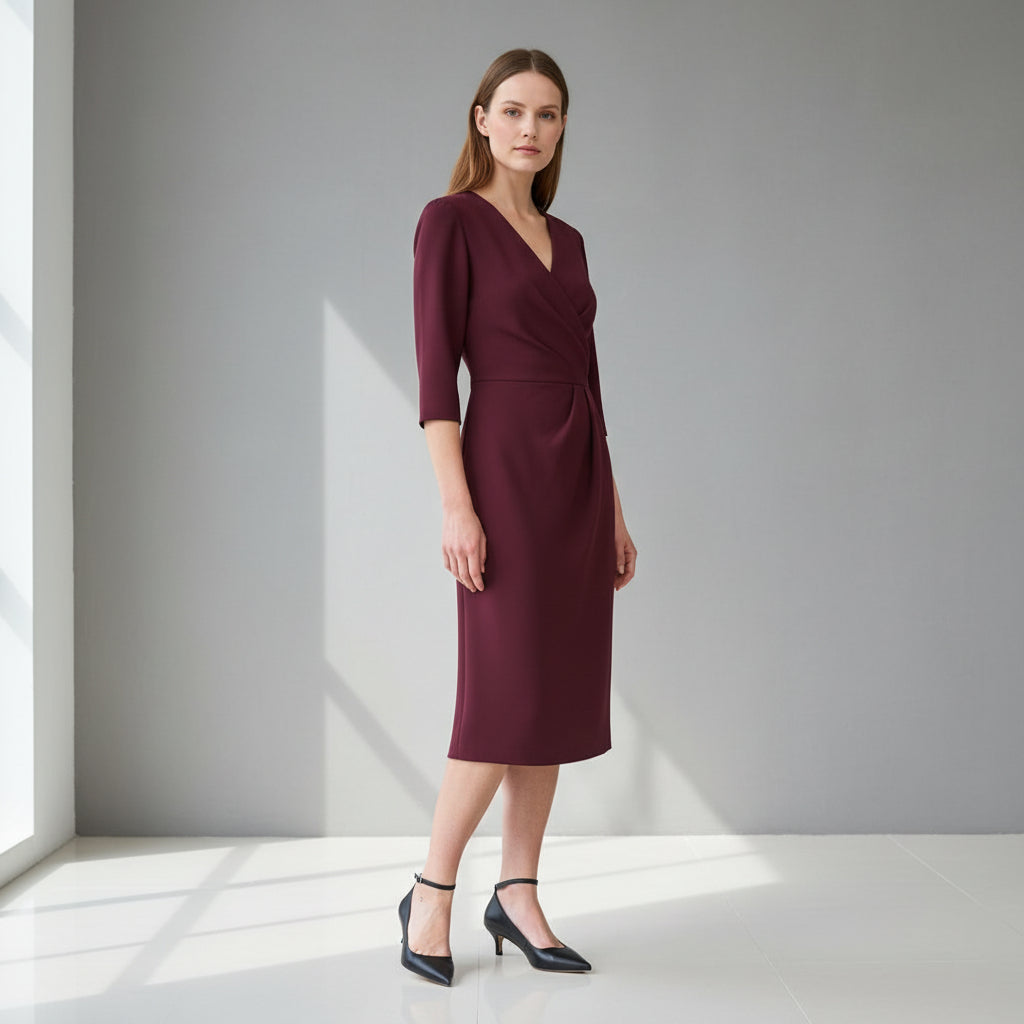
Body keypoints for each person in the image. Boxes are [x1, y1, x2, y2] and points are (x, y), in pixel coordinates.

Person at [399, 48, 637, 987]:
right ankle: (432, 890)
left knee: (557, 696)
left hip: (579, 478)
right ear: (481, 120)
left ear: (562, 127)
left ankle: (521, 890)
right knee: (502, 699)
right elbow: (433, 381)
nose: (530, 128)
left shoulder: (568, 240)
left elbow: (591, 380)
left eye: (548, 114)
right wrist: (456, 504)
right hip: (500, 474)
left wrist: (614, 507)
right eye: (513, 111)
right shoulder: (449, 222)